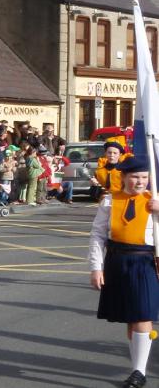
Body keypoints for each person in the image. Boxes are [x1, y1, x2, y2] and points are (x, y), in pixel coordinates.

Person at [89, 156, 159, 388]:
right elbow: (98, 235)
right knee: (130, 317)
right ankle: (136, 368)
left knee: (141, 315)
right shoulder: (109, 201)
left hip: (145, 261)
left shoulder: (154, 200)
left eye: (144, 177)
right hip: (117, 261)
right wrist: (96, 267)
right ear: (125, 178)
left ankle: (139, 372)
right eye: (135, 177)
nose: (140, 182)